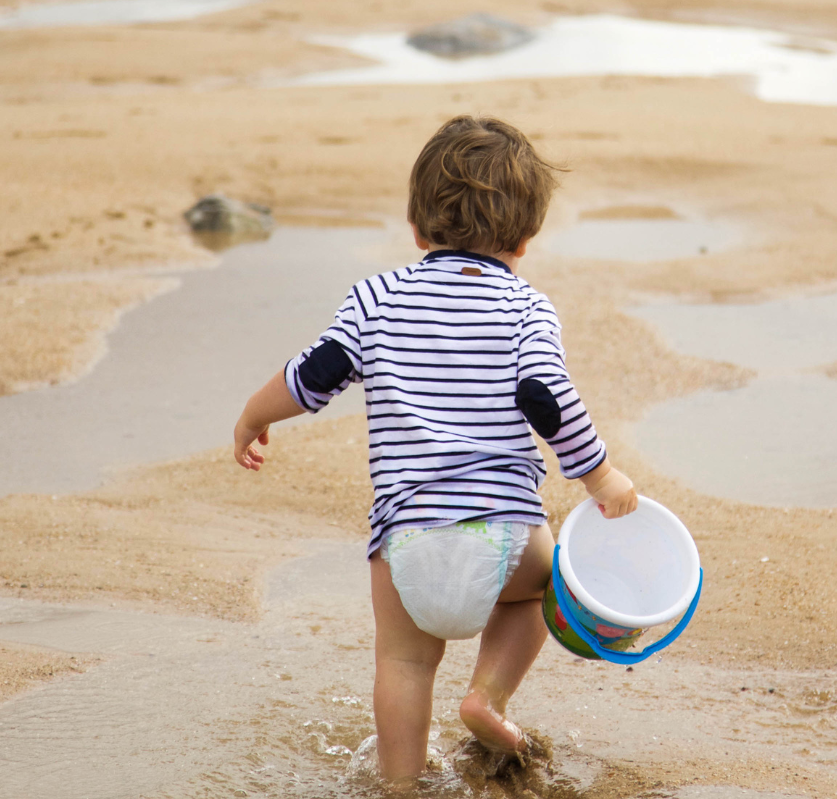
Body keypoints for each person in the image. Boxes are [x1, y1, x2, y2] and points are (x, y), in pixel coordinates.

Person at [230, 114, 637, 787]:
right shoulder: (526, 308)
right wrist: (599, 475)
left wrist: (253, 414)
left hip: (407, 538)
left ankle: (399, 785)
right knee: (544, 591)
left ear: (417, 228)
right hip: (504, 531)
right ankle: (487, 699)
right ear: (526, 238)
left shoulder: (376, 298)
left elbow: (316, 373)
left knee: (403, 663)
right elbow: (544, 394)